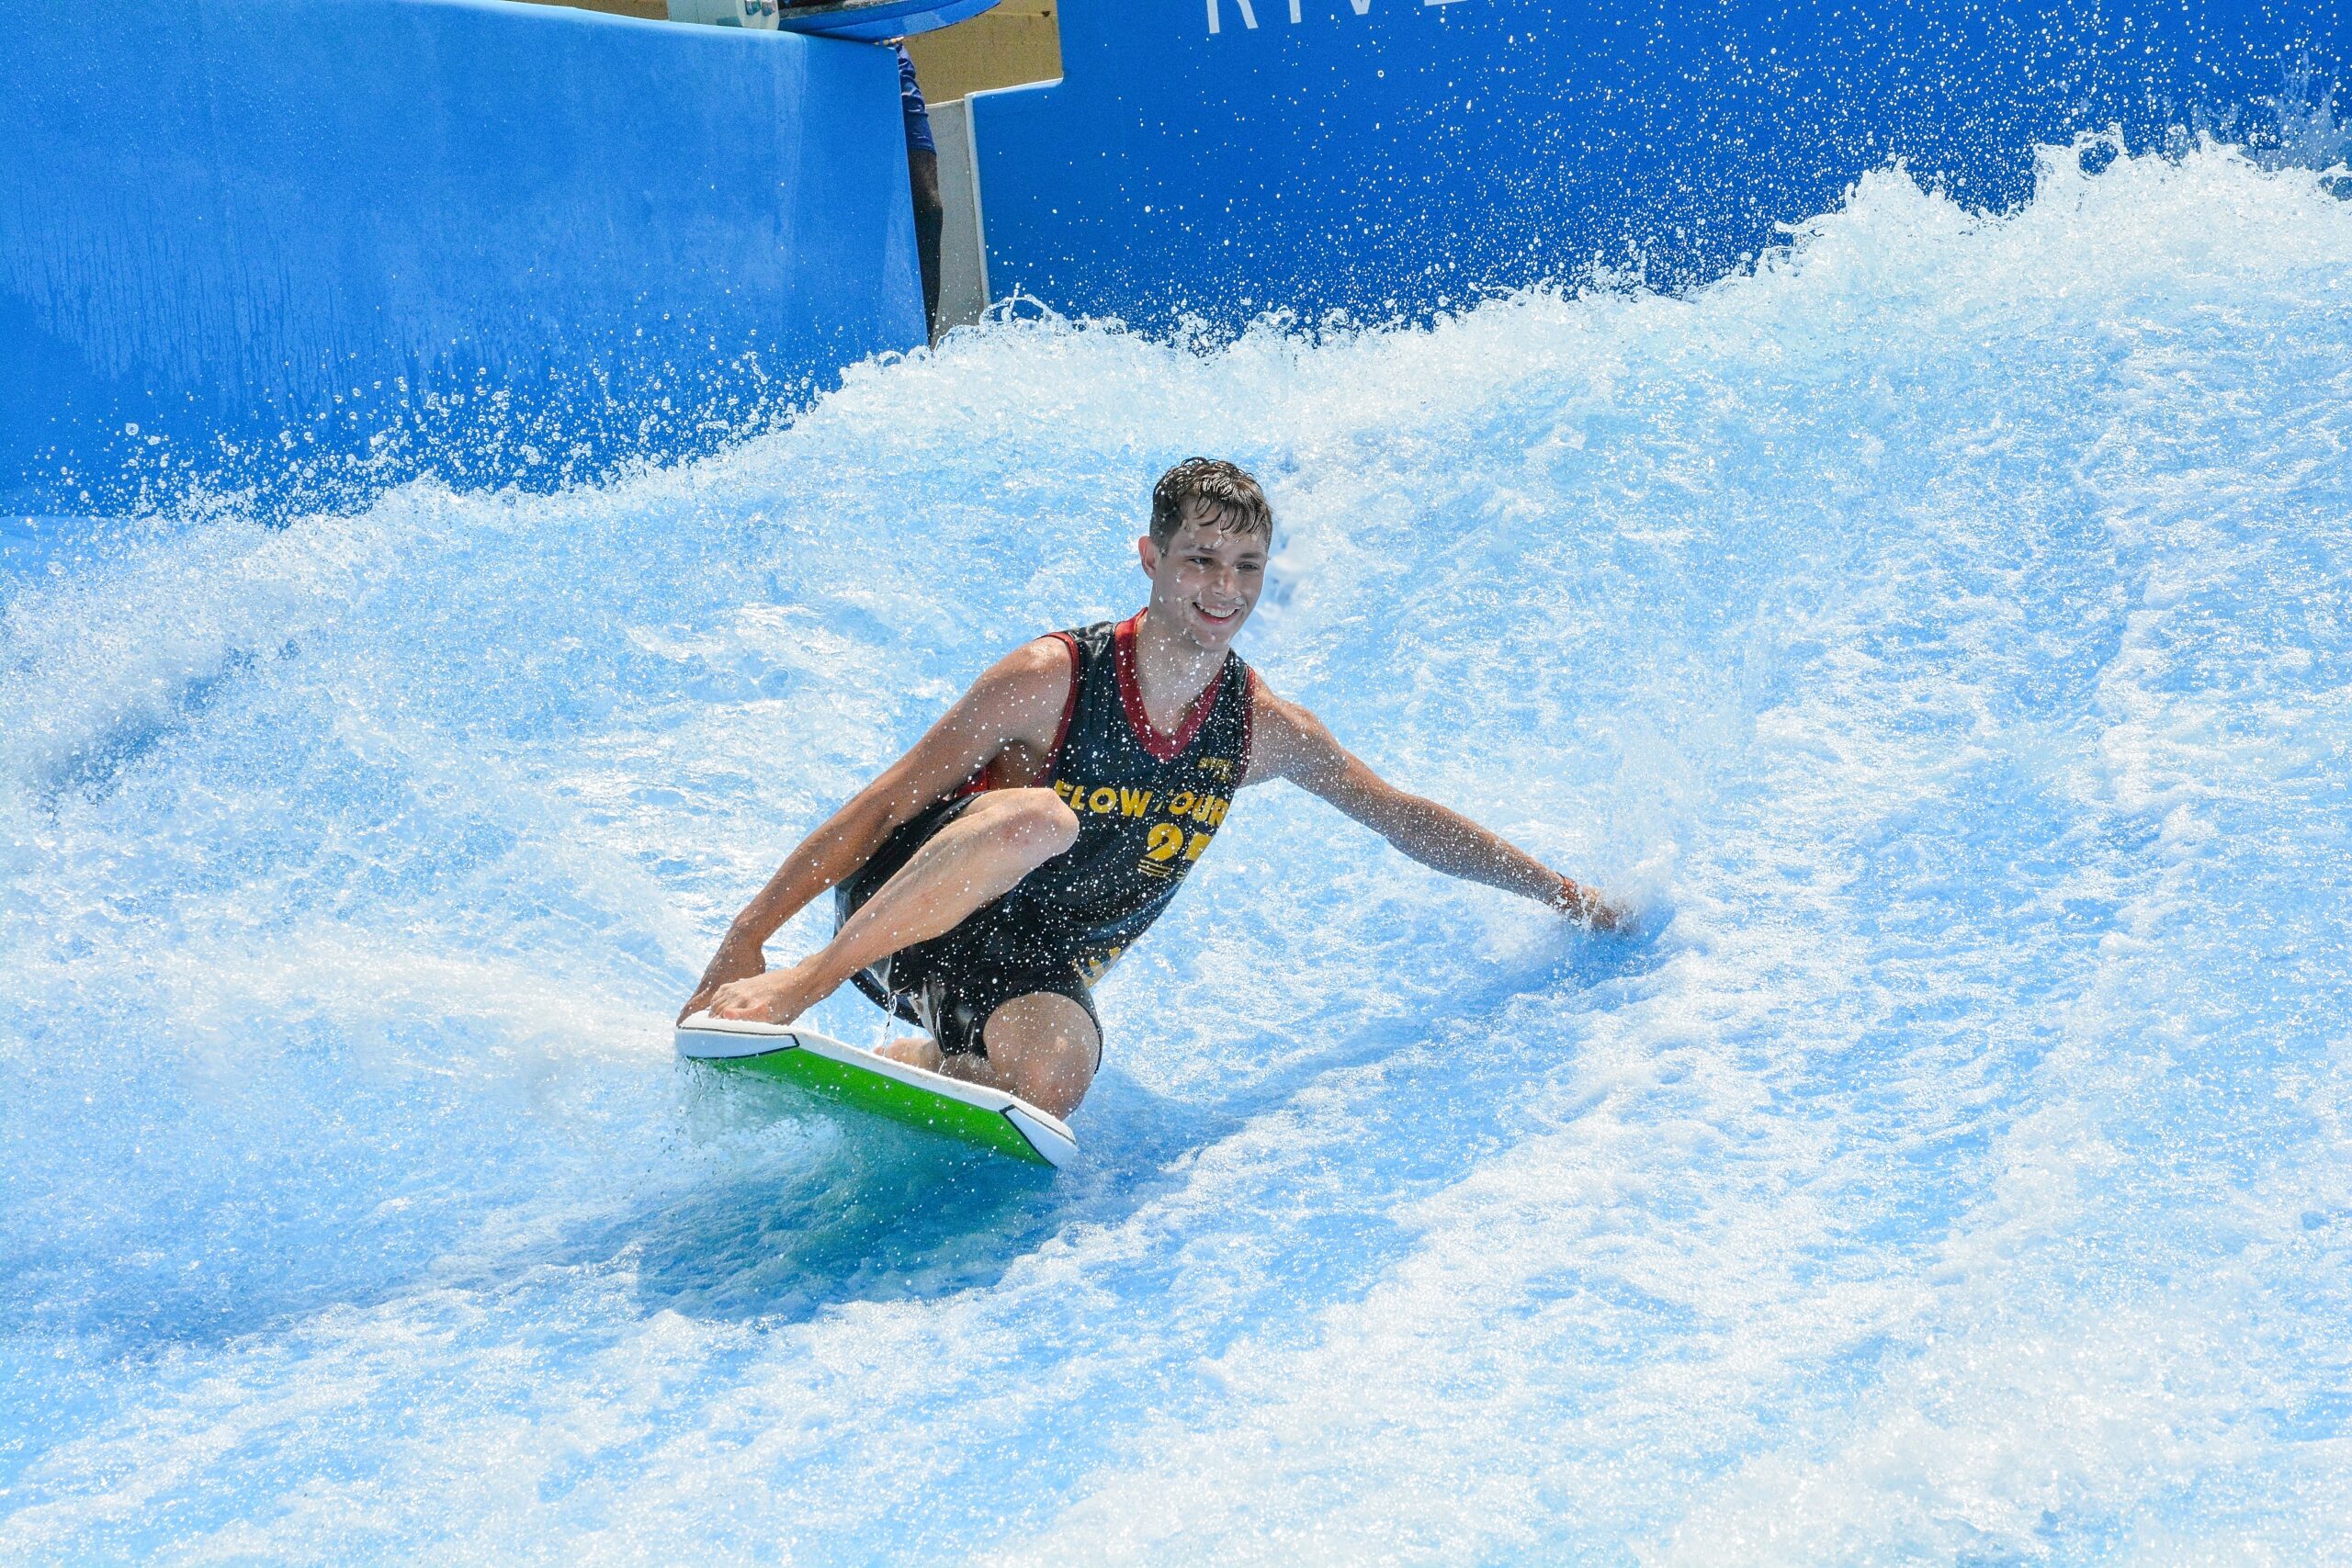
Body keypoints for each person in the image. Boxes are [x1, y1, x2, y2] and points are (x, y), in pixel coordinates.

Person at [681, 458, 1621, 1121]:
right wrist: (752, 940)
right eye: (1200, 559)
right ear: (1151, 558)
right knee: (1040, 816)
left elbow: (1402, 818)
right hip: (903, 913)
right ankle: (803, 988)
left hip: (1022, 958)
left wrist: (1561, 893)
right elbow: (884, 806)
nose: (1224, 588)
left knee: (1054, 1082)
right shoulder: (1050, 679)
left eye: (1246, 567)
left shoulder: (1257, 729)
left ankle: (937, 1057)